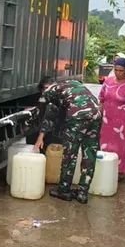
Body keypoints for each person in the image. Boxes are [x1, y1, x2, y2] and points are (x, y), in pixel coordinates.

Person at [34, 76, 102, 204]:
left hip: (78, 115)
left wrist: (40, 137)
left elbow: (49, 115)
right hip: (96, 112)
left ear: (44, 88)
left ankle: (64, 190)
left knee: (70, 154)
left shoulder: (50, 91)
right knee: (89, 153)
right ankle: (82, 193)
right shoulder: (72, 82)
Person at [98, 57, 125, 178]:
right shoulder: (108, 81)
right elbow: (101, 99)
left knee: (120, 146)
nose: (118, 73)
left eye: (121, 71)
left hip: (121, 122)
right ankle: (105, 168)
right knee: (105, 144)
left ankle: (119, 171)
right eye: (116, 70)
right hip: (107, 120)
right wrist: (99, 115)